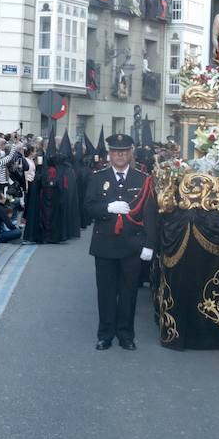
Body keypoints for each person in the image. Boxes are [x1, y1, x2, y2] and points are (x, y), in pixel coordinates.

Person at [85, 133, 158, 351]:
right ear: (110, 154)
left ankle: (126, 334)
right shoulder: (98, 177)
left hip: (132, 245)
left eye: (124, 152)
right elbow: (88, 207)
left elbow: (150, 214)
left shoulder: (142, 179)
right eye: (116, 151)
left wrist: (150, 244)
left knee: (128, 293)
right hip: (105, 244)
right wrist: (107, 208)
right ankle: (105, 334)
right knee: (106, 292)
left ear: (130, 154)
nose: (120, 155)